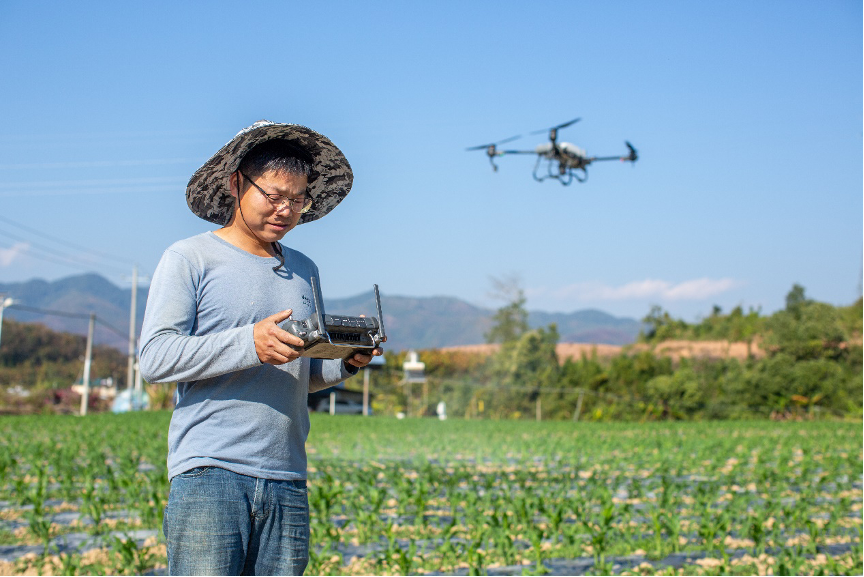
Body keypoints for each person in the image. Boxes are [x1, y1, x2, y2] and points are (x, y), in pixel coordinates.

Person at [139, 120, 382, 576]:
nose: (286, 210)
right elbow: (155, 357)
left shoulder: (306, 270)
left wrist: (345, 364)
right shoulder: (190, 258)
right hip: (211, 475)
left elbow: (298, 374)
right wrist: (249, 342)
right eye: (273, 196)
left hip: (288, 478)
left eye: (297, 199)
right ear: (236, 184)